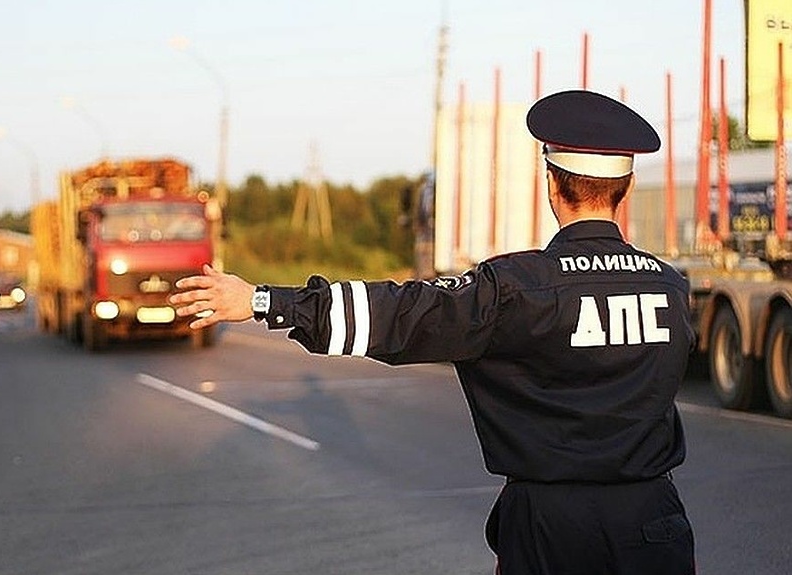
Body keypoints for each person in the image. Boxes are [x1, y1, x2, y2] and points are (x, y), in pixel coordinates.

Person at [168, 89, 696, 575]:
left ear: (553, 185)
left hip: (552, 528)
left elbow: (401, 314)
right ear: (626, 188)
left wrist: (264, 300)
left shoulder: (515, 288)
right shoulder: (672, 288)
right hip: (654, 519)